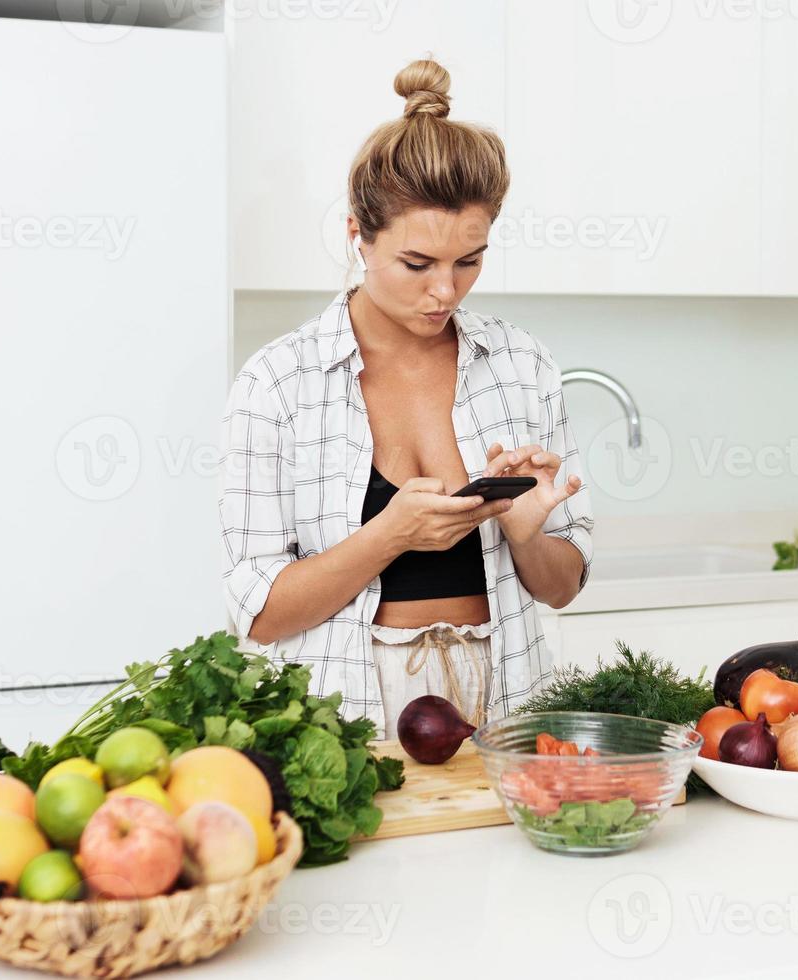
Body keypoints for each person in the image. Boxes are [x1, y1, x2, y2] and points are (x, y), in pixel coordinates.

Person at [218, 58, 595, 739]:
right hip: (348, 723)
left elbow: (562, 588)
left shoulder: (522, 365)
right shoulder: (277, 383)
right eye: (417, 264)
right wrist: (389, 536)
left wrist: (525, 529)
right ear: (357, 235)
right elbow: (260, 613)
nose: (444, 292)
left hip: (507, 710)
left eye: (469, 260)